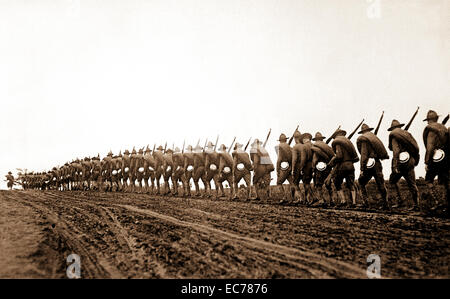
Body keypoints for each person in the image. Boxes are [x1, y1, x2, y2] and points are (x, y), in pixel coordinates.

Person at [387, 119, 420, 210]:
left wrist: (395, 165)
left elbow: (395, 151)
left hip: (400, 162)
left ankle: (400, 201)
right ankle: (416, 205)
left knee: (392, 181)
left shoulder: (394, 136)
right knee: (412, 183)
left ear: (392, 128)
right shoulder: (407, 134)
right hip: (410, 160)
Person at [356, 123, 390, 209]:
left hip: (369, 164)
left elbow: (364, 154)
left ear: (362, 132)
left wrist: (362, 168)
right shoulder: (374, 139)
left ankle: (366, 203)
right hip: (377, 162)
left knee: (361, 182)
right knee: (381, 183)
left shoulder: (363, 140)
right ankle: (385, 203)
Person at [422, 110, 449, 215]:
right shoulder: (444, 128)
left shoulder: (431, 129)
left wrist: (427, 162)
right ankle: (447, 204)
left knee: (428, 180)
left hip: (436, 157)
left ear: (428, 120)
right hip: (446, 157)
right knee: (446, 181)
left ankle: (438, 202)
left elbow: (430, 147)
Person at [326, 129, 359, 207]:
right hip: (351, 165)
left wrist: (332, 162)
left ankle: (343, 201)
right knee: (351, 184)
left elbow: (339, 156)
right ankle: (354, 202)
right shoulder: (348, 143)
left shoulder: (338, 143)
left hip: (343, 166)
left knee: (337, 182)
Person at [311, 132, 335, 207]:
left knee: (318, 185)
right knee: (328, 185)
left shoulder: (316, 148)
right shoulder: (327, 147)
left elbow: (315, 159)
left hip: (319, 169)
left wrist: (313, 168)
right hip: (328, 167)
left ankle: (321, 200)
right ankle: (332, 200)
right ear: (322, 139)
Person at [275, 133, 293, 202]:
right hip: (289, 166)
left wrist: (277, 169)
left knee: (279, 183)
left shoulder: (279, 147)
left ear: (280, 140)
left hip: (283, 167)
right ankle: (296, 198)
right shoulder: (289, 147)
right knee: (292, 183)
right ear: (285, 140)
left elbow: (279, 159)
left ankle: (284, 198)